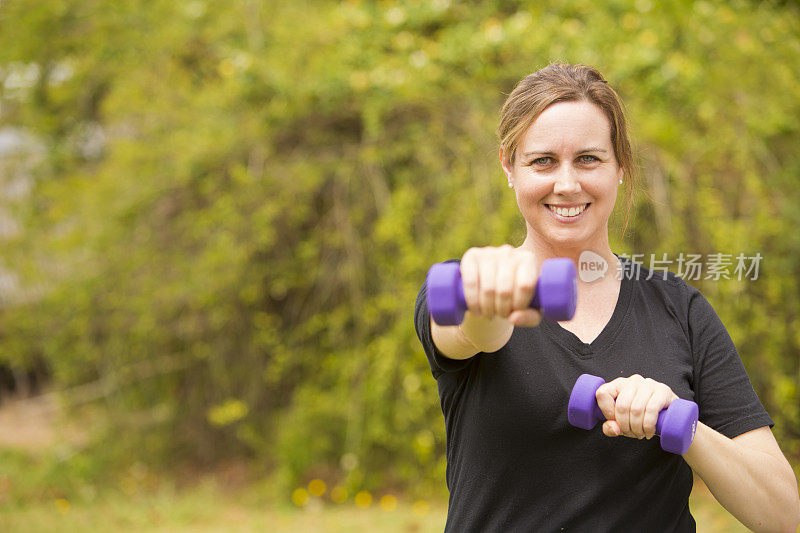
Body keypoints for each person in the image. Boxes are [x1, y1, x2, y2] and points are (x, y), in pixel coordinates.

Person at [414, 63, 800, 532]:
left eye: (588, 159)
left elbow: (784, 516)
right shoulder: (465, 286)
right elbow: (474, 334)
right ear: (508, 167)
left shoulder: (679, 308)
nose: (567, 184)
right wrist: (492, 302)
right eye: (543, 161)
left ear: (621, 167)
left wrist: (681, 426)